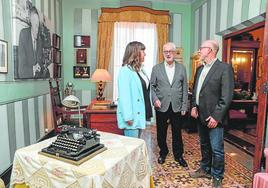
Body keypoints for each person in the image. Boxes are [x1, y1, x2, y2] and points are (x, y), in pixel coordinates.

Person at [189, 40, 234, 188]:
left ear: (210, 50)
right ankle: (205, 169)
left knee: (217, 148)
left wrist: (216, 116)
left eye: (202, 48)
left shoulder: (224, 68)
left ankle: (217, 176)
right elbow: (196, 90)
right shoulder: (200, 69)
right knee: (204, 145)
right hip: (200, 115)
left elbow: (226, 96)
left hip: (214, 117)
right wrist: (194, 106)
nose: (199, 50)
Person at [150, 42, 188, 167]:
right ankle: (163, 152)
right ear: (162, 53)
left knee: (177, 132)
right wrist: (155, 99)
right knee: (161, 131)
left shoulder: (182, 68)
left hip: (177, 106)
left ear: (175, 52)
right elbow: (152, 86)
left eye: (170, 51)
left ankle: (178, 155)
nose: (168, 53)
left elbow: (184, 88)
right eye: (165, 51)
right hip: (161, 105)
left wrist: (184, 106)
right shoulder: (156, 68)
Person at [117, 41, 152, 138]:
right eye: (143, 51)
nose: (145, 54)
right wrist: (128, 117)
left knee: (137, 145)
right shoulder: (125, 71)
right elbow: (124, 96)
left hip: (140, 113)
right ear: (135, 53)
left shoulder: (140, 70)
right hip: (131, 118)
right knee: (131, 148)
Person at [18, 6, 44, 79]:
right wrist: (33, 68)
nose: (37, 30)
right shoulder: (24, 35)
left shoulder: (40, 40)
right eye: (35, 25)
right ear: (31, 22)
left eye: (38, 26)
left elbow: (40, 68)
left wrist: (40, 68)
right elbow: (21, 72)